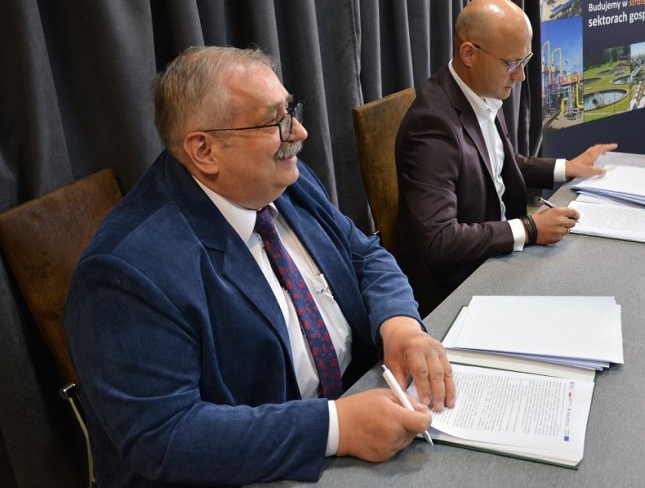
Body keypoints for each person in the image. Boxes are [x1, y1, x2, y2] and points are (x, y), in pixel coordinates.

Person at [64, 46, 455, 487]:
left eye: (290, 110)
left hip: (365, 401)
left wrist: (399, 325)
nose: (300, 131)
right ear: (204, 150)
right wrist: (336, 427)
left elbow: (363, 254)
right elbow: (167, 437)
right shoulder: (124, 272)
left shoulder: (282, 178)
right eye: (274, 121)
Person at [395, 0, 617, 308]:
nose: (521, 75)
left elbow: (498, 164)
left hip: (499, 251)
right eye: (512, 63)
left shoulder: (482, 90)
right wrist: (529, 229)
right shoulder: (431, 126)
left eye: (525, 61)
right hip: (462, 282)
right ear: (469, 53)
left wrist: (567, 168)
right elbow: (439, 240)